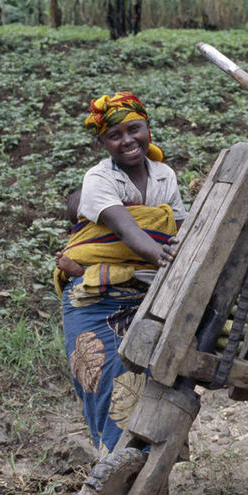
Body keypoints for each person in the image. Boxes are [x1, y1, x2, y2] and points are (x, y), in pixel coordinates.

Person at [54, 91, 187, 454]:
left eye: (135, 129)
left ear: (148, 127)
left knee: (155, 390)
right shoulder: (98, 179)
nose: (128, 140)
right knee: (110, 389)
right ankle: (115, 486)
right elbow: (132, 235)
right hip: (96, 301)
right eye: (115, 135)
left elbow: (175, 226)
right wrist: (176, 258)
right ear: (103, 142)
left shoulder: (164, 175)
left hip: (147, 296)